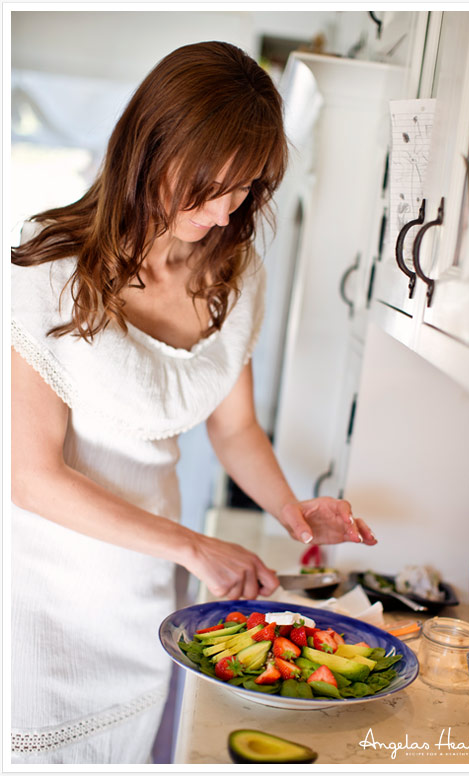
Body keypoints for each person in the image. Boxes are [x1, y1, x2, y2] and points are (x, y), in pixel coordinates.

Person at [11, 40, 377, 765]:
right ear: (150, 144)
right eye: (206, 186)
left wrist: (291, 510)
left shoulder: (235, 277)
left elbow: (234, 425)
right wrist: (194, 545)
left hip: (145, 592)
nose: (219, 213)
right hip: (40, 603)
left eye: (242, 192)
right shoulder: (48, 267)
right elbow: (29, 477)